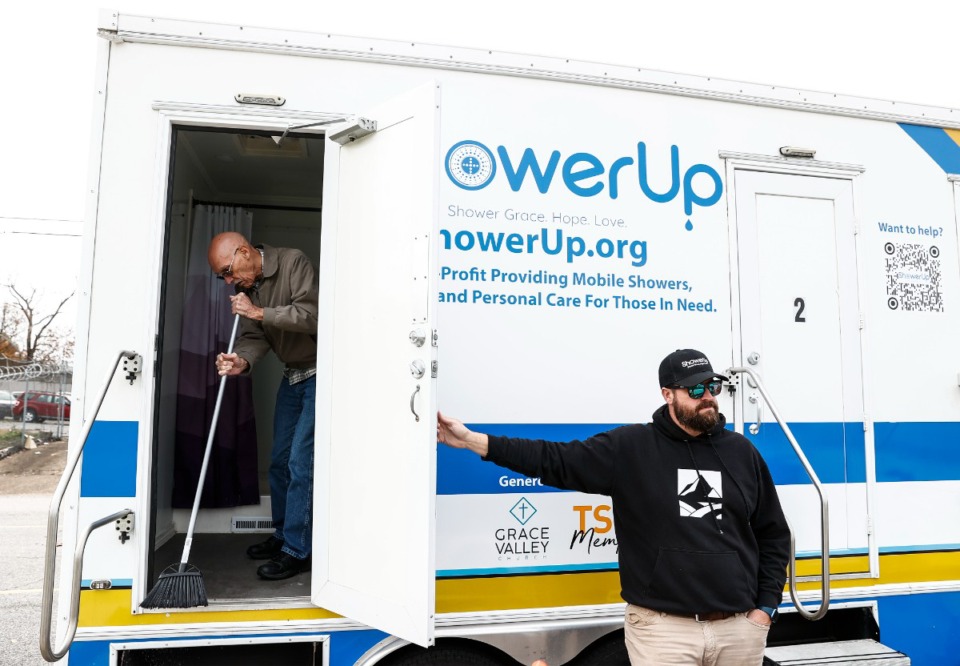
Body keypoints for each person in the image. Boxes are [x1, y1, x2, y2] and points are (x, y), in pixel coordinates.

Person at [437, 349, 790, 666]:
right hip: (664, 633)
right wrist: (473, 441)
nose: (707, 398)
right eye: (695, 390)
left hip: (738, 632)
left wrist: (765, 610)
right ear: (667, 394)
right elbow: (554, 460)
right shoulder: (631, 448)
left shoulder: (741, 453)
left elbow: (773, 534)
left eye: (712, 387)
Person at [208, 232, 318, 581]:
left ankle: (298, 551)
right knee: (279, 461)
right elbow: (255, 335)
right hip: (293, 374)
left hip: (322, 373)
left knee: (302, 463)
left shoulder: (292, 260)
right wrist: (241, 361)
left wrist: (258, 310)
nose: (228, 281)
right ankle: (284, 535)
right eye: (221, 277)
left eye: (228, 271)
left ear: (244, 252)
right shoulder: (249, 286)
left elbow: (310, 315)